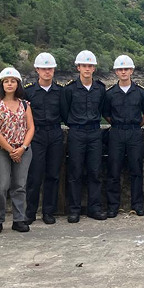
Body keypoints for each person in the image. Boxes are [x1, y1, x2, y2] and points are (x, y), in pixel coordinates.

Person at [0, 68, 35, 234]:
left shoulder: (25, 104)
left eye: (13, 81)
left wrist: (22, 148)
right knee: (1, 185)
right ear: (1, 84)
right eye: (6, 81)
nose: (9, 84)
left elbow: (31, 128)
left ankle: (19, 219)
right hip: (0, 150)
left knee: (19, 185)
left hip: (23, 149)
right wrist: (11, 150)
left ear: (18, 84)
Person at [103, 55, 144, 218]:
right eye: (120, 69)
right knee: (113, 170)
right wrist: (118, 124)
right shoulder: (109, 94)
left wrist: (136, 125)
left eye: (126, 69)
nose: (123, 72)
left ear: (131, 71)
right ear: (116, 72)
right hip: (116, 132)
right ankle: (113, 206)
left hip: (134, 132)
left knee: (136, 169)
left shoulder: (140, 92)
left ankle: (137, 205)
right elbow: (107, 114)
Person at [63, 50, 107, 223]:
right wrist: (75, 124)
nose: (87, 69)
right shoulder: (69, 89)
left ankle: (94, 208)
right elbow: (65, 113)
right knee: (75, 171)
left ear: (94, 68)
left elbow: (102, 110)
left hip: (95, 132)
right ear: (78, 67)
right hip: (77, 132)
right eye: (84, 66)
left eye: (90, 66)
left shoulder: (100, 89)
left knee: (95, 171)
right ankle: (74, 210)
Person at [24, 53, 64, 225]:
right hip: (36, 134)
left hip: (55, 133)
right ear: (37, 70)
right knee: (35, 175)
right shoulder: (28, 91)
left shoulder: (61, 91)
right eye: (43, 68)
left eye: (50, 69)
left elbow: (66, 113)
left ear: (54, 70)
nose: (47, 72)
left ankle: (49, 211)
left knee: (53, 174)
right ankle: (30, 212)